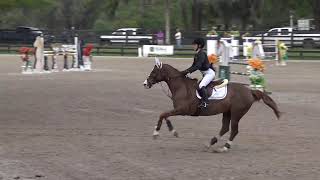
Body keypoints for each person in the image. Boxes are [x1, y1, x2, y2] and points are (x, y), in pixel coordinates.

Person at [181, 38, 215, 108]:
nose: (193, 46)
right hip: (205, 74)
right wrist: (184, 72)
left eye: (194, 45)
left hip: (209, 74)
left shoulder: (202, 54)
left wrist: (187, 71)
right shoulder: (197, 54)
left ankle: (205, 102)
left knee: (201, 85)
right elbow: (193, 66)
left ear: (199, 45)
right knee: (198, 86)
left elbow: (198, 66)